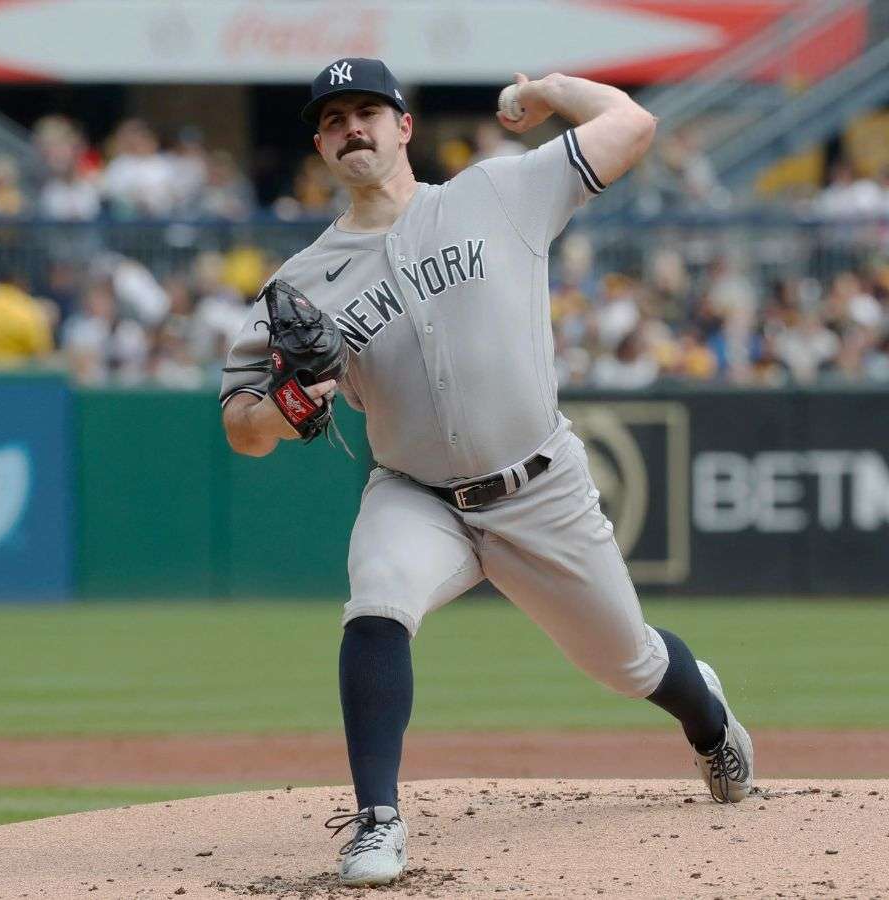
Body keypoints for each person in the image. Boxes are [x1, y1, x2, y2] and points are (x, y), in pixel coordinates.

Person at [218, 58, 755, 888]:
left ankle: (711, 720)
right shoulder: (301, 283)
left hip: (540, 488)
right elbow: (240, 431)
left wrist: (548, 91)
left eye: (369, 111)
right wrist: (287, 406)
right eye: (333, 119)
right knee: (379, 596)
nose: (351, 127)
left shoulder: (496, 194)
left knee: (629, 663)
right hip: (416, 493)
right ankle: (376, 821)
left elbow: (633, 127)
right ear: (322, 145)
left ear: (404, 127)